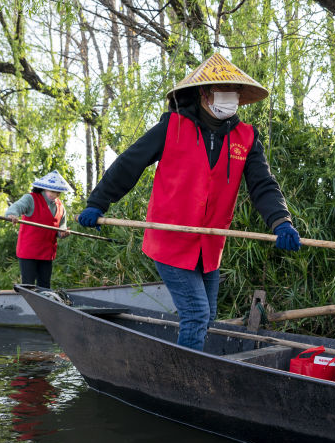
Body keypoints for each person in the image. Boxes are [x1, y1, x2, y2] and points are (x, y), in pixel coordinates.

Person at [77, 53, 301, 351]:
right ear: (204, 94)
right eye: (223, 92)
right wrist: (98, 202)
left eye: (233, 92)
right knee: (196, 314)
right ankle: (184, 379)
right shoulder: (173, 127)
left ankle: (189, 368)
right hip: (170, 239)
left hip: (209, 245)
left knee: (207, 317)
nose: (230, 98)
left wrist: (281, 221)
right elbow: (129, 164)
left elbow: (263, 184)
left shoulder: (246, 137)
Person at [6, 170, 72, 289]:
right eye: (52, 191)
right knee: (28, 285)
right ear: (44, 188)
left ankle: (42, 307)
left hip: (47, 251)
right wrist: (12, 215)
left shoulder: (61, 207)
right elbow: (16, 207)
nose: (54, 195)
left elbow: (60, 230)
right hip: (28, 250)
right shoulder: (31, 199)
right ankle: (26, 307)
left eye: (57, 192)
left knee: (45, 285)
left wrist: (63, 233)